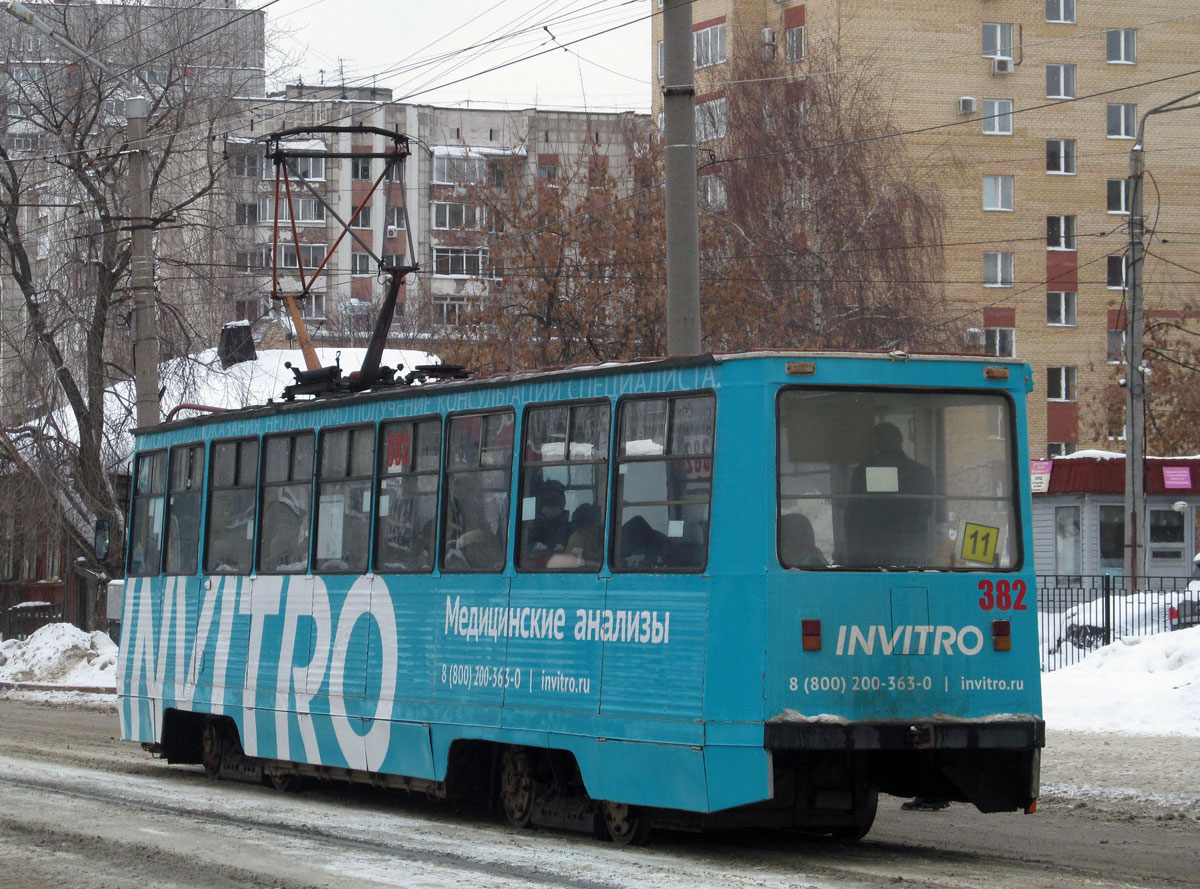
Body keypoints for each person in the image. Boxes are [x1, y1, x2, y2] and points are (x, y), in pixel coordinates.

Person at [844, 422, 934, 568]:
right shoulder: (922, 473)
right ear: (900, 442)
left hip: (869, 557)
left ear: (874, 445)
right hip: (912, 556)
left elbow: (851, 519)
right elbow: (926, 512)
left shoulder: (863, 472)